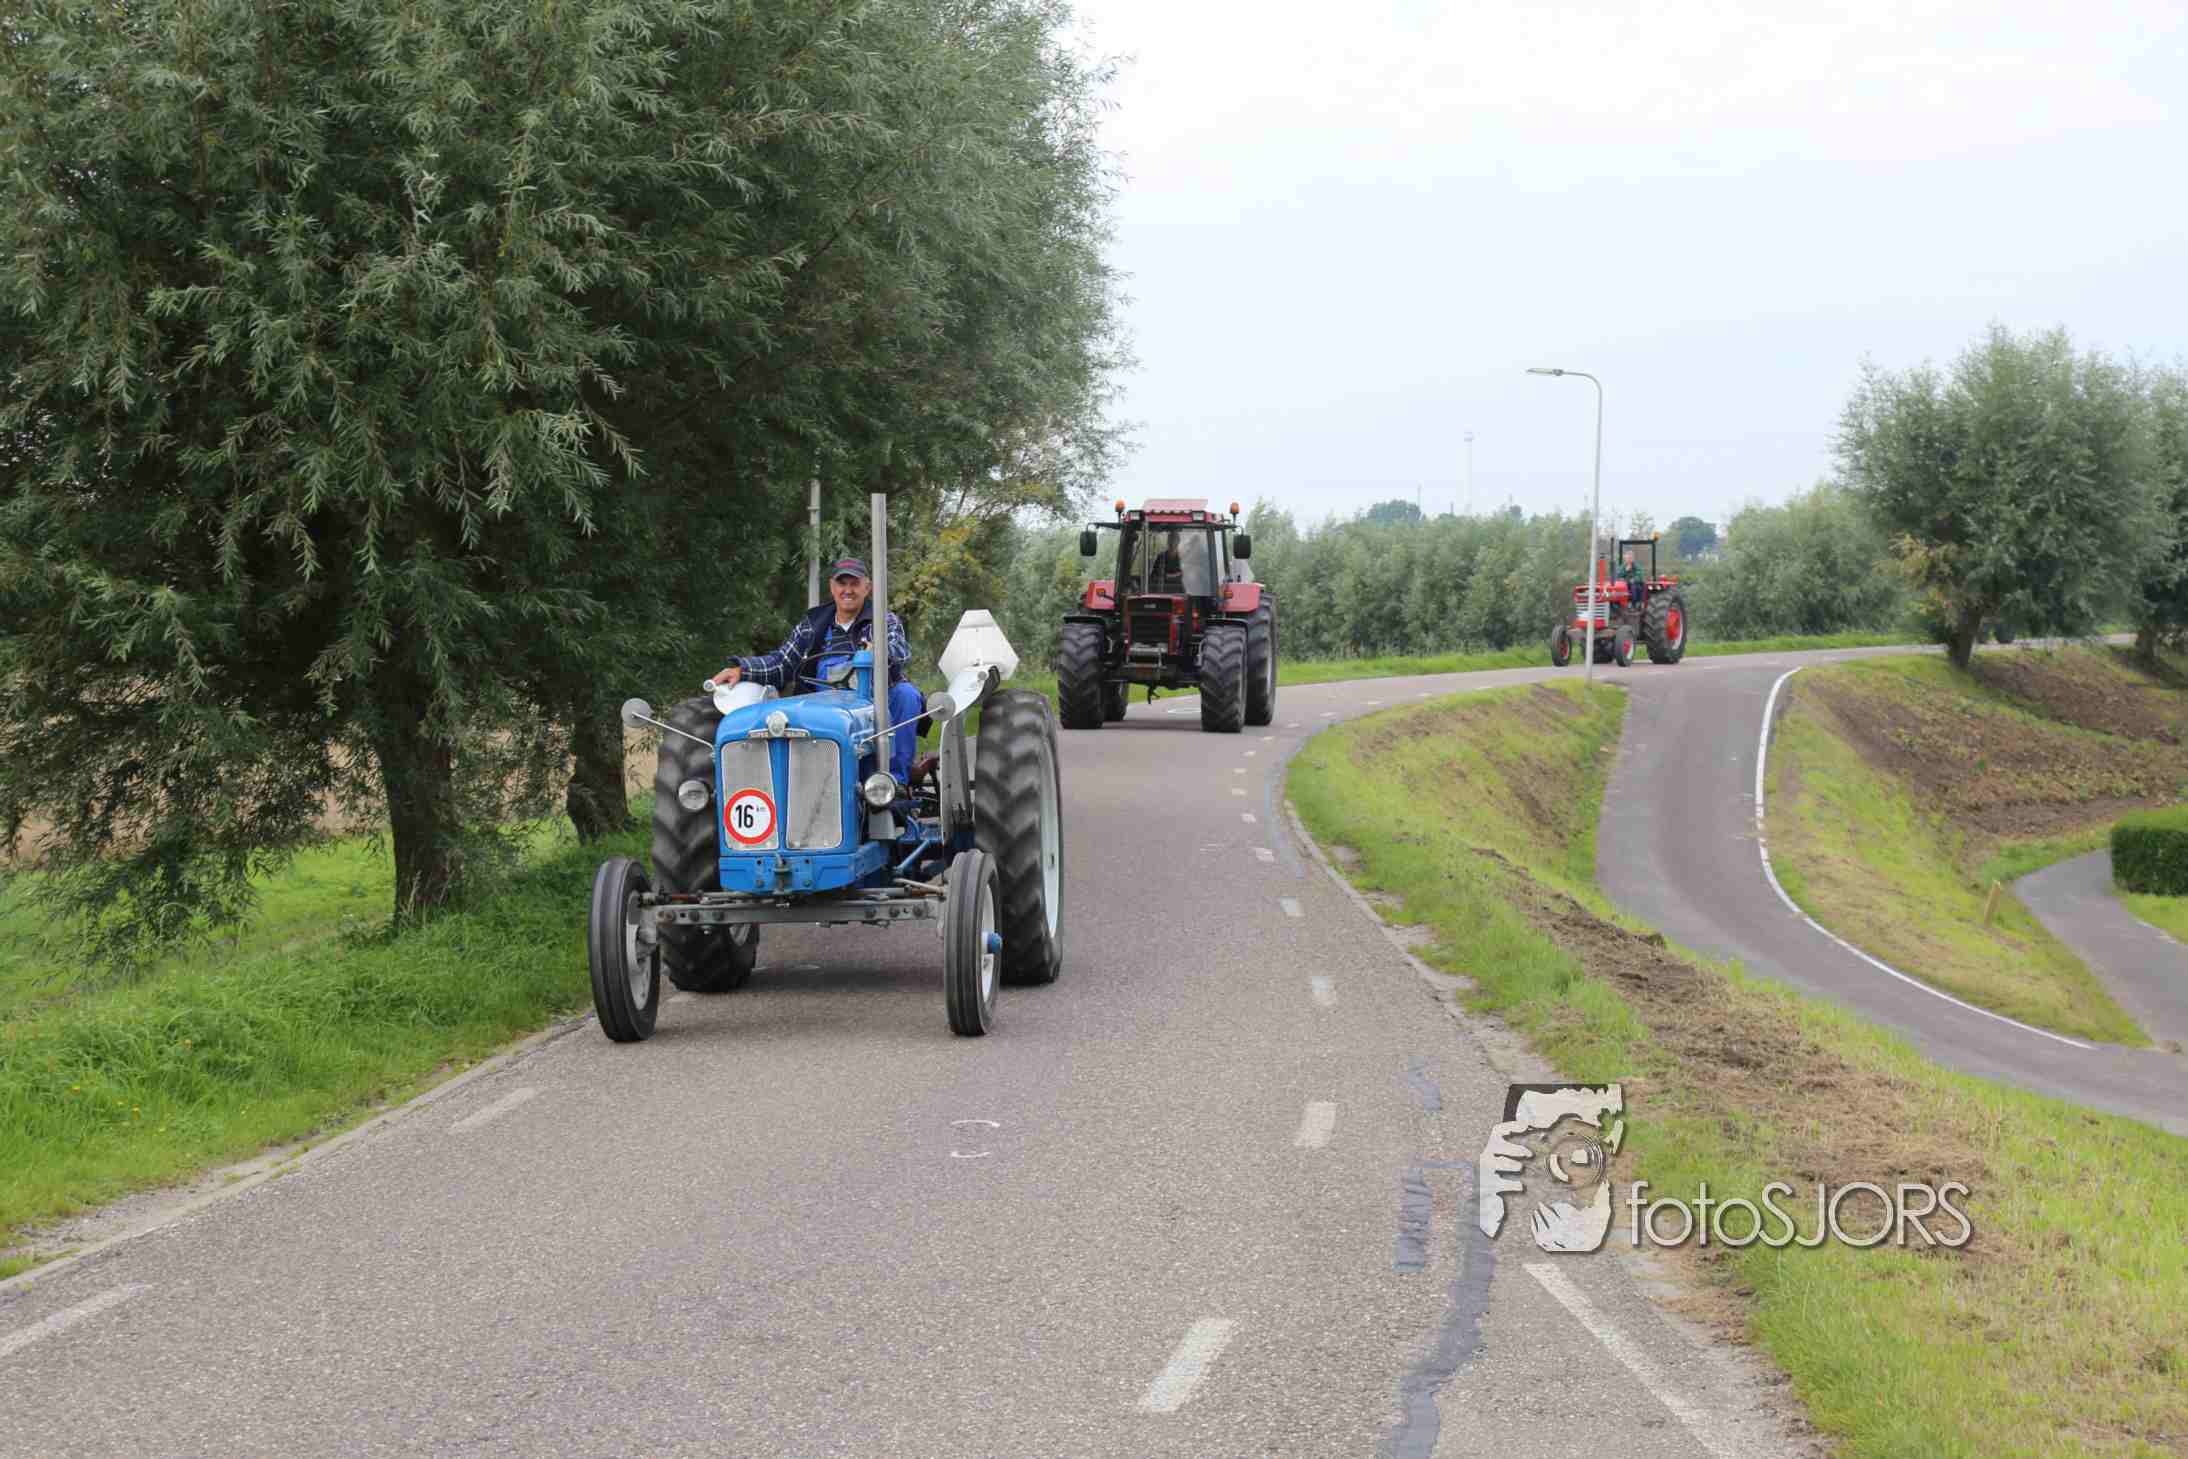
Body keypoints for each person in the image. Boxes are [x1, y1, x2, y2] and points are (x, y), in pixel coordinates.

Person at [711, 558, 926, 786]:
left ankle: (893, 782)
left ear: (867, 587)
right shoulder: (813, 624)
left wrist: (879, 651)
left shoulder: (883, 620)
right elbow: (782, 662)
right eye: (842, 583)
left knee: (907, 695)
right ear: (832, 587)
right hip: (822, 705)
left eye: (854, 583)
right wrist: (743, 670)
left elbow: (900, 651)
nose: (848, 590)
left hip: (873, 701)